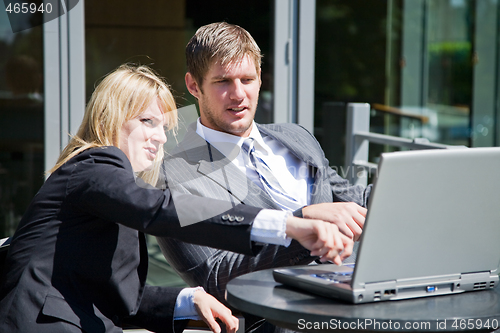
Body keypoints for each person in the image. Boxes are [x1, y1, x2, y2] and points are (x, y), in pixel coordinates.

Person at [0, 64, 352, 333]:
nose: (160, 139)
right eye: (147, 121)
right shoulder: (96, 163)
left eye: (164, 128)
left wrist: (187, 298)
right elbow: (163, 209)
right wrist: (288, 224)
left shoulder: (110, 190)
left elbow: (123, 300)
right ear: (112, 116)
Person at [157, 22, 373, 332]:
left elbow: (353, 198)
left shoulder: (296, 137)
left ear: (260, 79)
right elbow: (215, 277)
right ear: (194, 86)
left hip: (354, 301)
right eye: (222, 81)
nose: (238, 94)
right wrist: (300, 222)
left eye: (247, 79)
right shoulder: (174, 173)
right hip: (278, 322)